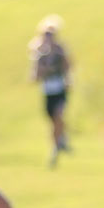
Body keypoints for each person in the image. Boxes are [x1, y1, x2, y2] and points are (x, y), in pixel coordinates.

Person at [29, 16, 72, 164]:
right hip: (48, 91)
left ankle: (58, 145)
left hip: (60, 89)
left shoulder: (60, 50)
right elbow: (35, 76)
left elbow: (68, 66)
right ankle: (58, 143)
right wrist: (44, 68)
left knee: (59, 114)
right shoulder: (39, 53)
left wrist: (68, 80)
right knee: (53, 122)